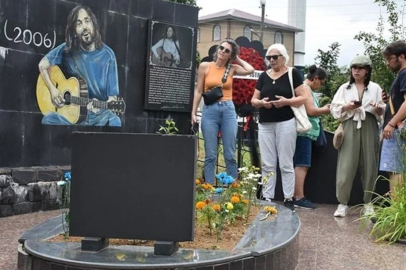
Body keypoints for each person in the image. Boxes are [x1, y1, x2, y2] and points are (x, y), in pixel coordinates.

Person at [38, 5, 121, 126]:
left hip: (98, 118)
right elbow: (42, 65)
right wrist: (53, 90)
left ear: (94, 25)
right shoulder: (67, 50)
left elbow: (113, 99)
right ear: (74, 31)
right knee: (48, 119)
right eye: (79, 23)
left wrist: (102, 107)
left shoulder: (108, 55)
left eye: (87, 21)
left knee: (115, 121)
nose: (85, 27)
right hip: (71, 119)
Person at [251, 44, 308, 211]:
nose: (271, 60)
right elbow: (254, 99)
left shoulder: (293, 73)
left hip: (286, 122)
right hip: (265, 123)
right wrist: (261, 103)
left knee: (285, 162)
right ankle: (267, 197)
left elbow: (303, 97)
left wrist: (286, 102)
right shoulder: (263, 76)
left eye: (275, 57)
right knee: (268, 163)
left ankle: (288, 198)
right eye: (269, 57)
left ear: (284, 57)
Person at [191, 38, 254, 184]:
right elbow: (199, 90)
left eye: (227, 51)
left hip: (228, 110)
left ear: (230, 55)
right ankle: (210, 189)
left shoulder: (231, 68)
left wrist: (236, 57)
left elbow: (249, 69)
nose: (222, 52)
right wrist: (193, 112)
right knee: (210, 154)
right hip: (210, 111)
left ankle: (233, 189)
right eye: (221, 48)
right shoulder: (205, 66)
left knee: (230, 153)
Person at [331, 55, 384, 217]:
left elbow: (382, 112)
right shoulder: (344, 88)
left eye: (359, 68)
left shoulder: (375, 88)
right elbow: (334, 109)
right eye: (353, 67)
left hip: (369, 124)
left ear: (367, 70)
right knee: (346, 164)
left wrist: (377, 108)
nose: (356, 71)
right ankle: (342, 203)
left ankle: (368, 203)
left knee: (370, 163)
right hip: (350, 124)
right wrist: (348, 106)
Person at [293, 65, 330, 209]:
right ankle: (298, 197)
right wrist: (327, 110)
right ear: (315, 79)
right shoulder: (306, 89)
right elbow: (311, 111)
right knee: (302, 165)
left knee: (302, 164)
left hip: (306, 132)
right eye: (322, 82)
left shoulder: (305, 89)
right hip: (304, 132)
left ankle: (297, 196)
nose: (321, 86)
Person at [380, 40, 406, 193]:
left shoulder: (404, 73)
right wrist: (389, 99)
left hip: (396, 130)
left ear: (401, 57)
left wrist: (391, 123)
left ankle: (395, 213)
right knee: (396, 169)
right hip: (398, 128)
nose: (388, 63)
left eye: (389, 59)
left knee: (395, 170)